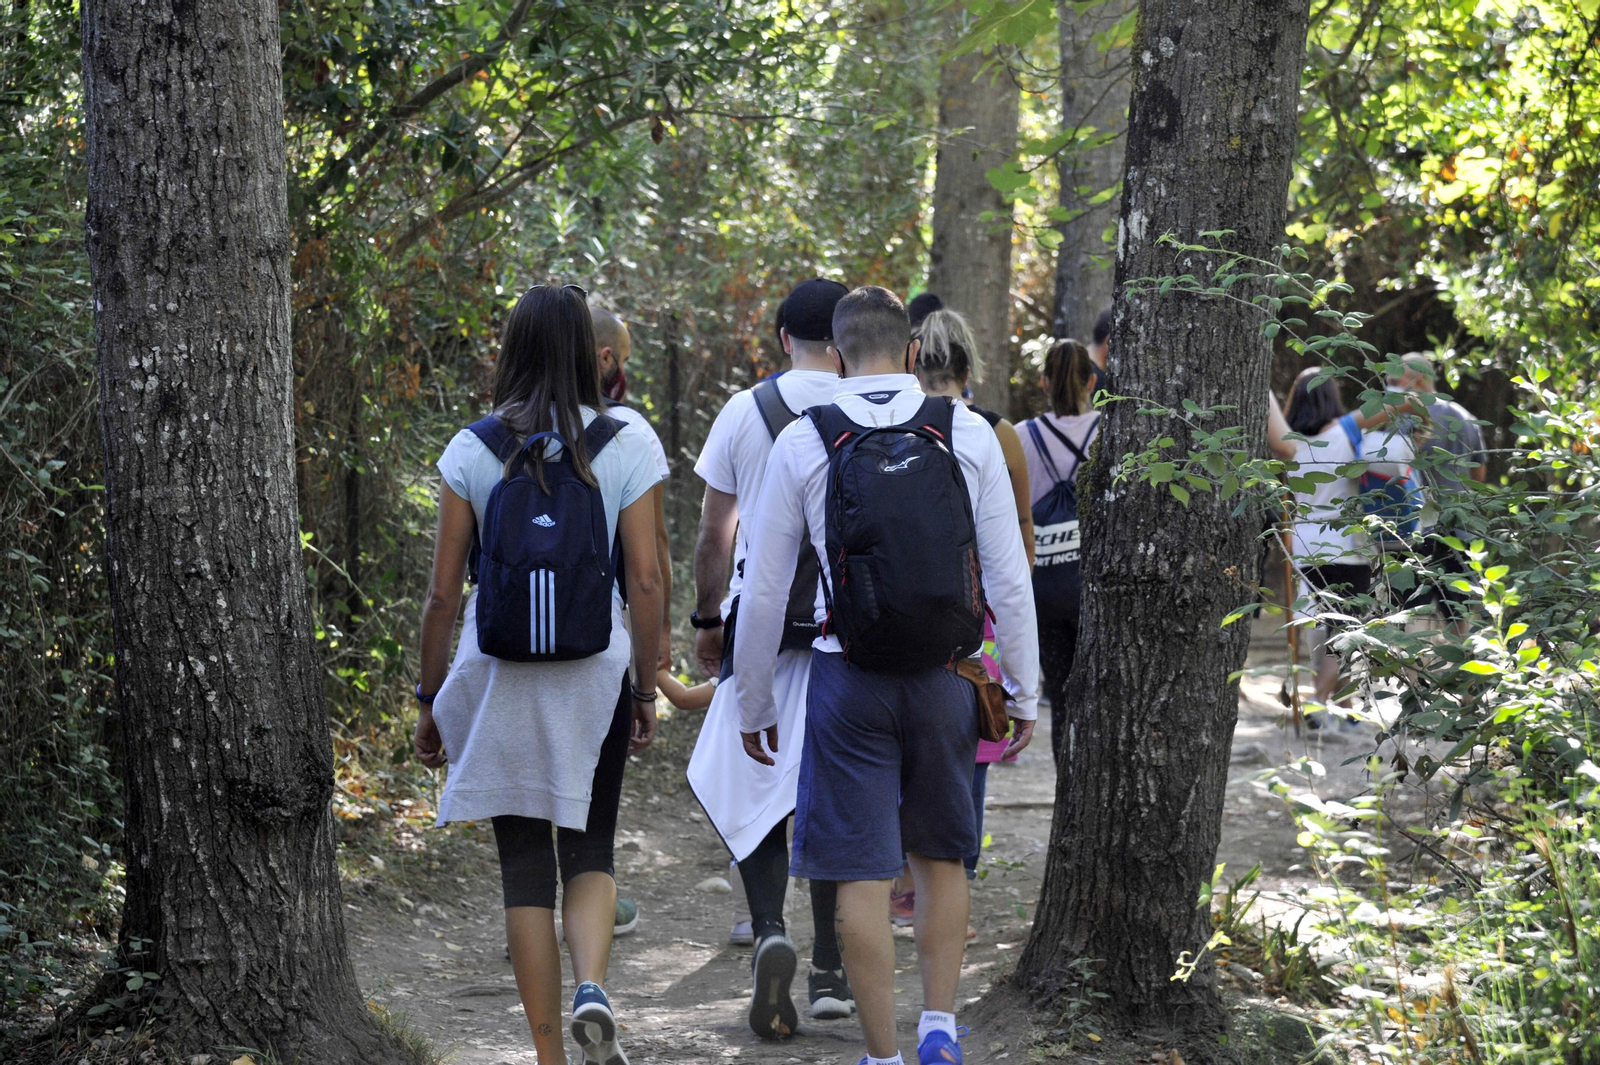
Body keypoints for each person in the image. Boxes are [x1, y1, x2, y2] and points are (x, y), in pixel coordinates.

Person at [731, 286, 1040, 1065]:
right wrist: (1025, 690)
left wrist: (754, 700)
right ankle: (939, 1024)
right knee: (942, 854)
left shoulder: (804, 441)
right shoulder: (964, 430)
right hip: (948, 677)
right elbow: (1007, 577)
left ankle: (881, 1054)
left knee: (860, 874)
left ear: (836, 356)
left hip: (848, 679)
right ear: (910, 353)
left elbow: (765, 591)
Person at [413, 284, 663, 1065]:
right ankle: (593, 983)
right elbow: (648, 580)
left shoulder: (474, 447)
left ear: (514, 349)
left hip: (501, 678)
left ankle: (551, 1057)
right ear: (590, 353)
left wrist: (428, 700)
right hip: (596, 673)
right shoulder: (626, 440)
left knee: (524, 871)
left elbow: (444, 594)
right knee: (591, 850)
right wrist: (647, 686)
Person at [685, 278, 856, 1036]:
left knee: (749, 779)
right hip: (849, 631)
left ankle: (766, 929)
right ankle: (829, 968)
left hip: (763, 625)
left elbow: (713, 533)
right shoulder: (874, 406)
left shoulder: (745, 411)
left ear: (785, 338)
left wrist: (706, 621)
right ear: (847, 338)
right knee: (832, 787)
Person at [892, 307, 1034, 927]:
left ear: (911, 358)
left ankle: (900, 886)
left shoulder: (890, 423)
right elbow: (1020, 527)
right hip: (980, 617)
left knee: (898, 745)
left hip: (900, 607)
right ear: (969, 365)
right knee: (973, 741)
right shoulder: (994, 432)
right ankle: (956, 883)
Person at [590, 305, 674, 938]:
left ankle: (529, 919)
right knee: (597, 782)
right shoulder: (629, 433)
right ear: (607, 360)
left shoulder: (496, 433)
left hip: (509, 643)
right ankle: (596, 901)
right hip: (603, 640)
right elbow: (650, 566)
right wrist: (650, 676)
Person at [1267, 366, 1412, 709]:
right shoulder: (1346, 431)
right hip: (1345, 542)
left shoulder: (1287, 444)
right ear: (1332, 396)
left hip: (1303, 543)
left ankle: (1342, 703)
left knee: (1325, 622)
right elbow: (1399, 403)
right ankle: (1318, 701)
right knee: (1345, 629)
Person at [1016, 339, 1100, 766]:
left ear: (1044, 382)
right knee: (1098, 695)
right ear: (1092, 381)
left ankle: (1066, 791)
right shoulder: (1109, 431)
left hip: (1044, 585)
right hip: (1095, 584)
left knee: (1061, 695)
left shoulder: (1021, 437)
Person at [1389, 353, 1488, 632]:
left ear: (1417, 380)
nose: (1394, 386)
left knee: (1409, 613)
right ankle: (1461, 671)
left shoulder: (1406, 418)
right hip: (1460, 529)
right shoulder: (1465, 417)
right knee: (1458, 613)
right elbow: (1478, 476)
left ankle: (1411, 674)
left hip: (1415, 529)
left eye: (1398, 380)